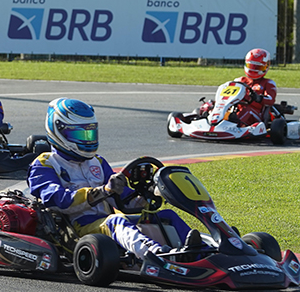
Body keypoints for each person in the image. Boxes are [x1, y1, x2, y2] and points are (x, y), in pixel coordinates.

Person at [27, 98, 198, 263]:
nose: (87, 139)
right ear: (58, 130)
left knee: (166, 216)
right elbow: (56, 201)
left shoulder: (98, 162)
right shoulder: (45, 164)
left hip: (105, 224)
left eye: (90, 133)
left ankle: (200, 252)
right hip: (75, 228)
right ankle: (155, 255)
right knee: (117, 221)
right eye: (80, 133)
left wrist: (147, 194)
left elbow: (124, 201)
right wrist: (102, 191)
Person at [234, 48, 278, 127]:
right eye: (251, 66)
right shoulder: (239, 80)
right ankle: (212, 123)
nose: (253, 69)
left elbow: (270, 100)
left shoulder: (268, 83)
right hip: (237, 110)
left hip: (257, 115)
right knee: (212, 107)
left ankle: (235, 126)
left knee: (246, 110)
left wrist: (258, 98)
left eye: (258, 67)